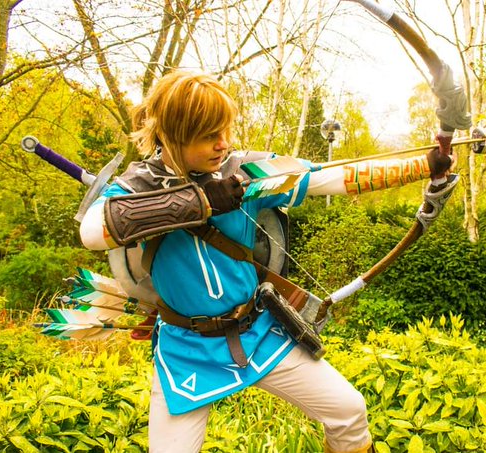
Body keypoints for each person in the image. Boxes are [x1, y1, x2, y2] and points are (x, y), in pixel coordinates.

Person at [79, 70, 454, 453]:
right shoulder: (138, 184)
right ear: (175, 133)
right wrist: (200, 202)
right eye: (209, 135)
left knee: (348, 411)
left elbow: (332, 177)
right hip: (185, 348)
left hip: (256, 332)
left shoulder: (241, 172)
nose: (223, 143)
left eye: (225, 130)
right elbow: (91, 232)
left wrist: (423, 166)